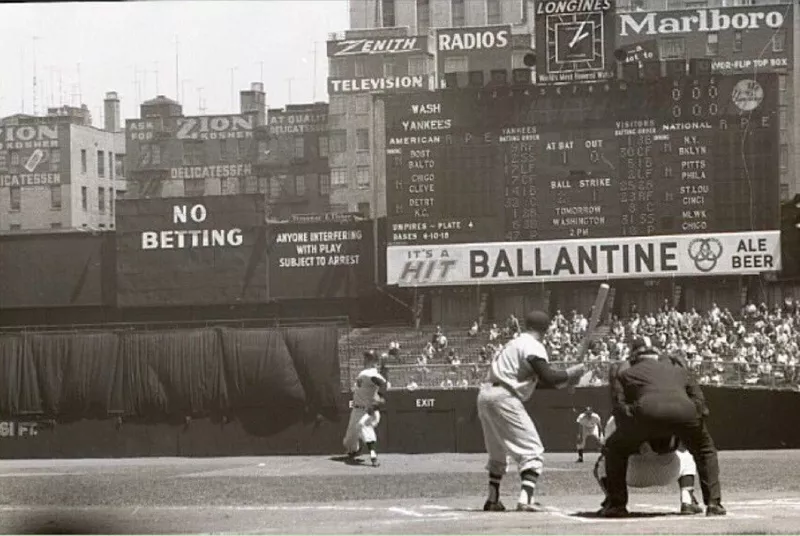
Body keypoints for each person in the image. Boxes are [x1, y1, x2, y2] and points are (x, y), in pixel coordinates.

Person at [600, 336, 725, 518]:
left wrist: (635, 418)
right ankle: (714, 504)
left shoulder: (623, 372)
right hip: (685, 413)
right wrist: (694, 419)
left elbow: (619, 407)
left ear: (634, 356)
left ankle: (616, 505)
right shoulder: (680, 370)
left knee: (613, 448)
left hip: (646, 412)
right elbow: (700, 402)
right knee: (705, 449)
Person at [477, 310, 587, 513]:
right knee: (533, 451)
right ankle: (525, 499)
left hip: (485, 395)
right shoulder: (533, 345)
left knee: (498, 453)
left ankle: (493, 499)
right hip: (505, 397)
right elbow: (550, 377)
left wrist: (566, 380)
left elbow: (542, 382)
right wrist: (572, 372)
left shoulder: (513, 344)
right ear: (546, 329)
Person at [594, 415, 703, 515]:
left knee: (604, 460)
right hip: (668, 471)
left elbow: (607, 449)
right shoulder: (672, 413)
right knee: (687, 453)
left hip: (629, 473)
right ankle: (687, 500)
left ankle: (614, 501)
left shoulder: (616, 416)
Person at [342, 350, 387, 468]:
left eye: (368, 357)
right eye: (366, 357)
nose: (365, 359)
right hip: (356, 410)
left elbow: (382, 382)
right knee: (348, 441)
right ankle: (354, 450)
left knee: (363, 426)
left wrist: (380, 398)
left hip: (368, 410)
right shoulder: (365, 372)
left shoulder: (370, 373)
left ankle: (373, 456)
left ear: (373, 360)